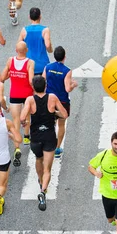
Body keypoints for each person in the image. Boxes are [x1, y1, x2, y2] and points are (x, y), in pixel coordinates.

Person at [20, 75, 68, 211]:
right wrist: (54, 114)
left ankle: (40, 180)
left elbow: (22, 118)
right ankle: (43, 190)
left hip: (35, 137)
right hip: (49, 137)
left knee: (38, 159)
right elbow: (64, 114)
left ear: (33, 88)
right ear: (46, 86)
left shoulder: (30, 100)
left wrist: (25, 122)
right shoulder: (52, 98)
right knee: (48, 169)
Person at [2, 41, 35, 164]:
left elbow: (3, 77)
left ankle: (17, 147)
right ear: (26, 50)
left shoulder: (10, 61)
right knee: (27, 116)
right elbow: (31, 80)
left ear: (16, 50)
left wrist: (13, 74)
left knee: (15, 120)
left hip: (14, 94)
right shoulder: (30, 62)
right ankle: (26, 137)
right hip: (27, 94)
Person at [44, 46, 78, 158]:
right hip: (62, 101)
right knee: (61, 124)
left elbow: (43, 82)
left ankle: (49, 146)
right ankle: (57, 148)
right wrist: (73, 84)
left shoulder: (48, 67)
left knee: (50, 124)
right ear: (64, 57)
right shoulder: (67, 70)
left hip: (49, 100)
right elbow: (67, 88)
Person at [18, 7, 53, 75]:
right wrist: (50, 50)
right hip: (42, 64)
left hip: (29, 64)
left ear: (29, 17)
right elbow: (48, 45)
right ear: (40, 16)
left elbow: (18, 45)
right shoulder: (45, 30)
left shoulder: (24, 30)